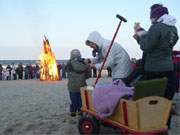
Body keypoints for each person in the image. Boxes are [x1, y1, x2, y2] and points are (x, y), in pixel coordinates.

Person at [133, 3, 179, 100]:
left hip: (154, 68)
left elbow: (146, 47)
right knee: (165, 95)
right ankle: (166, 111)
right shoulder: (173, 28)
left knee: (150, 95)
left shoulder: (156, 27)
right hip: (168, 67)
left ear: (155, 16)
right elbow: (163, 43)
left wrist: (139, 38)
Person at [66, 49, 91, 120]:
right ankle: (80, 111)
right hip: (82, 85)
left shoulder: (69, 63)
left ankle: (73, 112)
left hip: (72, 86)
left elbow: (65, 71)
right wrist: (86, 64)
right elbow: (88, 76)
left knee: (73, 100)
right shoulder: (84, 64)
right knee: (81, 100)